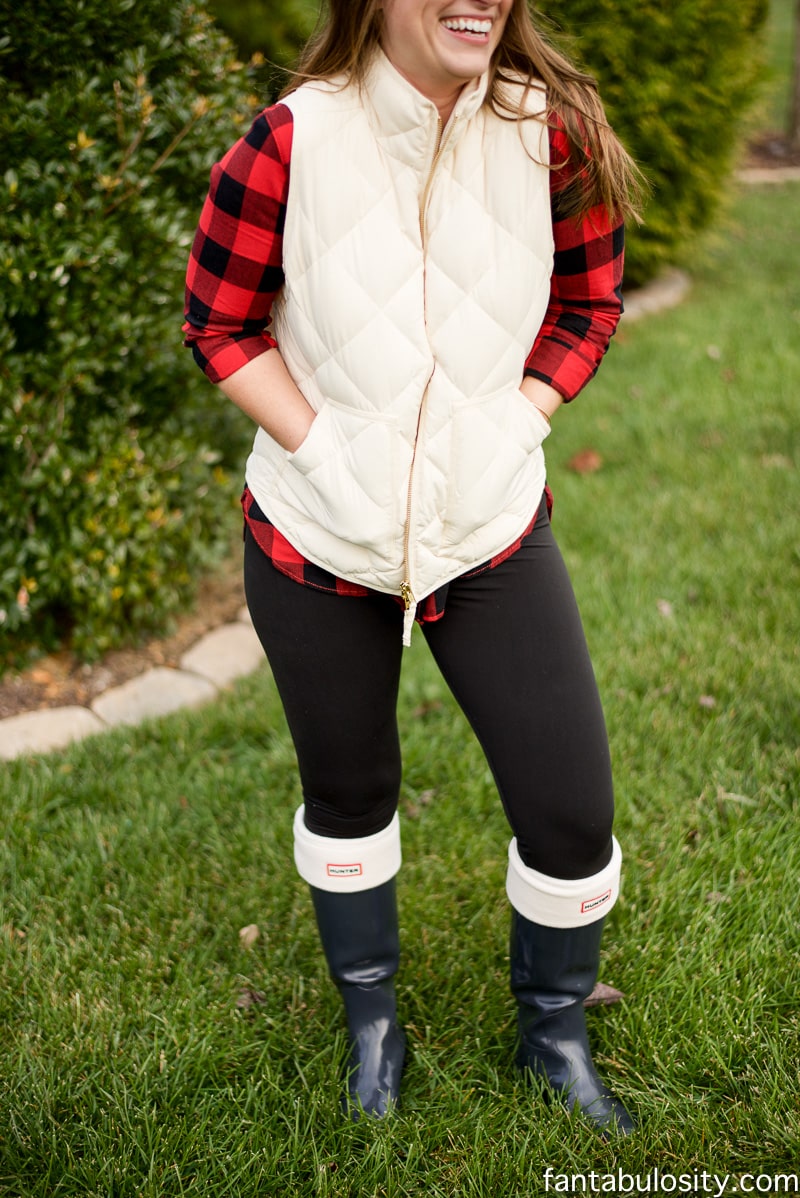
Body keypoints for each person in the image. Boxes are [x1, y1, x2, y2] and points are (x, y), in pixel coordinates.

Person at [184, 0, 642, 1134]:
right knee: (347, 793)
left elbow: (588, 304)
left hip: (486, 524)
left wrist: (517, 422)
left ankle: (553, 1031)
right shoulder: (288, 138)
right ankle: (372, 1027)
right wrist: (320, 444)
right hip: (316, 532)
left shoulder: (554, 130)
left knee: (572, 813)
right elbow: (217, 320)